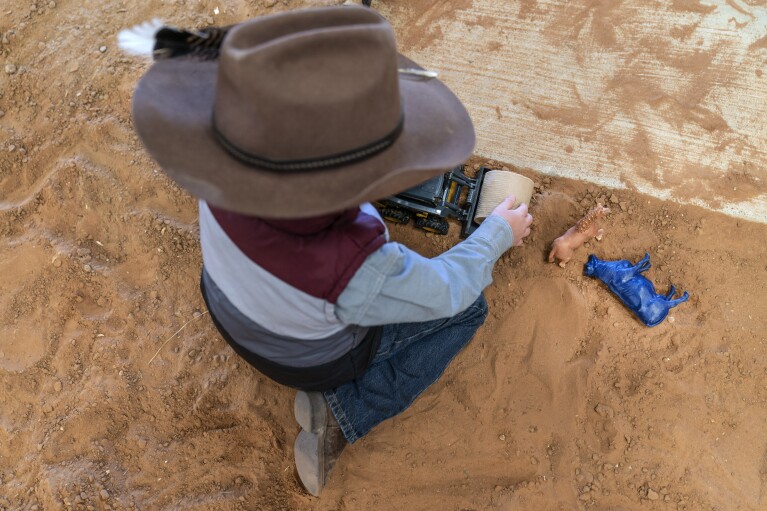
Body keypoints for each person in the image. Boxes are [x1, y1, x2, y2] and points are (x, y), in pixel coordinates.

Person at [129, 5, 533, 496]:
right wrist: (497, 233)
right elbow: (449, 289)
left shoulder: (223, 156)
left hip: (227, 305)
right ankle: (345, 414)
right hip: (305, 357)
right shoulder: (356, 262)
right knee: (470, 309)